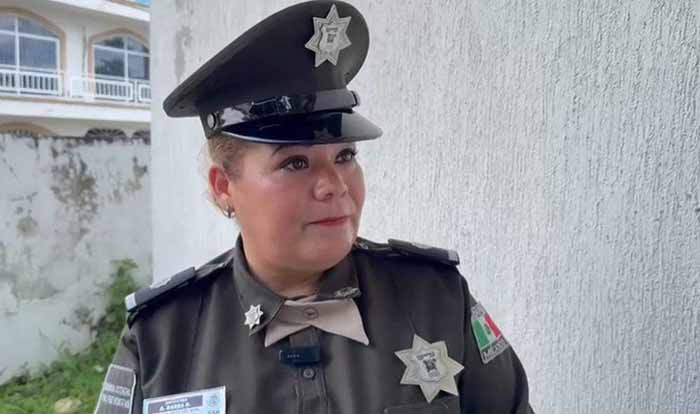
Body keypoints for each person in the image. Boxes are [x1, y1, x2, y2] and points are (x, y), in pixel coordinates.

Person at [95, 1, 534, 413]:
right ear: (224, 186)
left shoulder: (436, 300)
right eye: (294, 163)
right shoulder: (161, 339)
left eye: (345, 156)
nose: (335, 185)